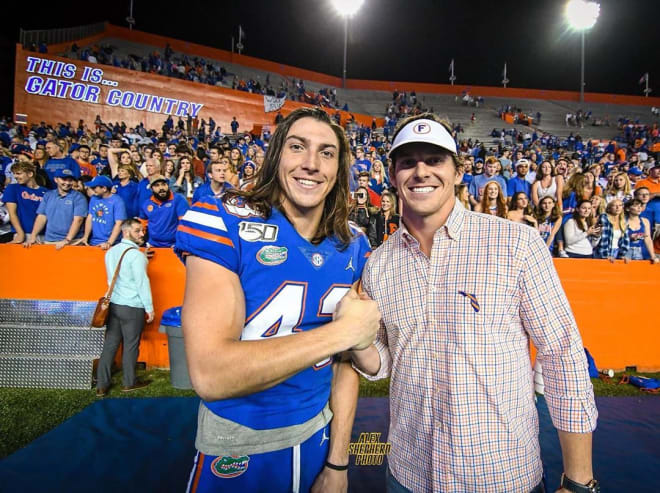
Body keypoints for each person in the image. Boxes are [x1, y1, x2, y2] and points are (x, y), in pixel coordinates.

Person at [350, 114, 598, 493]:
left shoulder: (516, 243)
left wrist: (579, 479)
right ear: (392, 174)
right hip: (408, 472)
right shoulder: (380, 264)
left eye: (434, 160)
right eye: (408, 161)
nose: (421, 171)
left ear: (458, 172)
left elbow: (562, 353)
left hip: (500, 474)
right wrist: (357, 339)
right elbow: (386, 359)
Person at [174, 108, 380, 492]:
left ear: (339, 168)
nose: (311, 164)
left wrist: (339, 462)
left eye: (326, 152)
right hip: (241, 438)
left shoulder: (354, 245)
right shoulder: (223, 219)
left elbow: (346, 366)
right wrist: (343, 333)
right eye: (297, 147)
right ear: (276, 156)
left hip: (319, 431)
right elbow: (211, 374)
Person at [95, 218, 154, 397]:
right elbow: (142, 283)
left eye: (142, 230)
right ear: (126, 232)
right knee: (130, 345)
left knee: (110, 345)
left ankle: (102, 385)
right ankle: (129, 382)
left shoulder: (111, 252)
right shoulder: (136, 255)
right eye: (137, 231)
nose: (142, 234)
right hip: (133, 306)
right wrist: (149, 308)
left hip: (114, 304)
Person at [24, 169, 87, 249]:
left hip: (72, 242)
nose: (67, 183)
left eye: (70, 180)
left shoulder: (79, 197)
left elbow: (78, 220)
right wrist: (33, 236)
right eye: (64, 179)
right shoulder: (48, 195)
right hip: (50, 241)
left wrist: (67, 240)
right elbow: (42, 217)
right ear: (56, 179)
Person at [2, 161, 47, 244]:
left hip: (44, 234)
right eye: (14, 174)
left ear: (30, 174)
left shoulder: (46, 192)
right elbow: (12, 213)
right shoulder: (12, 188)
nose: (15, 176)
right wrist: (20, 233)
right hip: (23, 234)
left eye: (18, 173)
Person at [139, 175, 189, 247]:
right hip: (152, 244)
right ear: (151, 189)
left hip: (174, 244)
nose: (161, 188)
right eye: (157, 185)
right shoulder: (146, 204)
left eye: (163, 184)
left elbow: (184, 224)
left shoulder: (178, 199)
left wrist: (180, 243)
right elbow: (142, 225)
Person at [78, 175, 127, 249]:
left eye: (95, 187)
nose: (92, 189)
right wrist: (85, 237)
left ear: (104, 188)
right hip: (94, 242)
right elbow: (90, 217)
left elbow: (119, 224)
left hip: (112, 244)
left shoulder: (117, 201)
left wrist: (109, 243)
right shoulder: (94, 199)